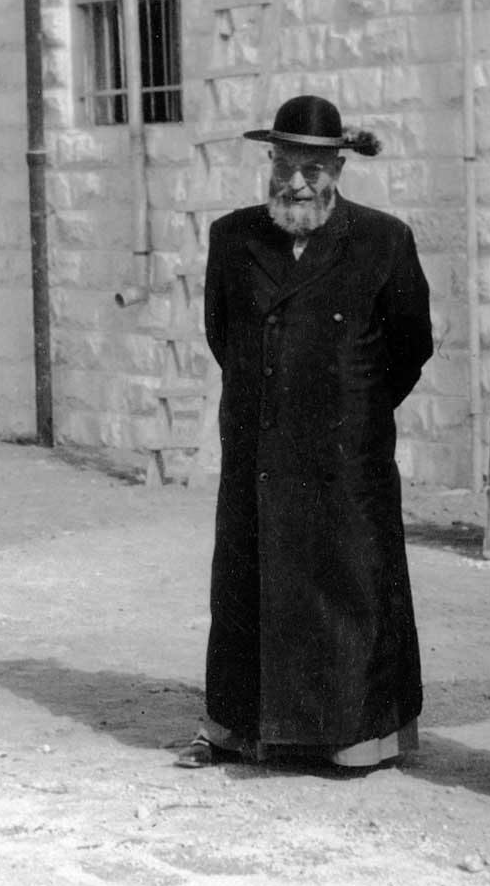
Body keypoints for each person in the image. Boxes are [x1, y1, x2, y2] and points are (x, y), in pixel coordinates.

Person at [177, 94, 434, 771]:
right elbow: (221, 333)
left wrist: (351, 407)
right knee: (246, 586)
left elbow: (410, 347)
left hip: (348, 459)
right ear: (270, 162)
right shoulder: (233, 239)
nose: (296, 182)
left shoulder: (383, 240)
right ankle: (240, 729)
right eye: (285, 164)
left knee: (347, 588)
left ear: (339, 167)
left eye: (313, 169)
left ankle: (353, 737)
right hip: (259, 451)